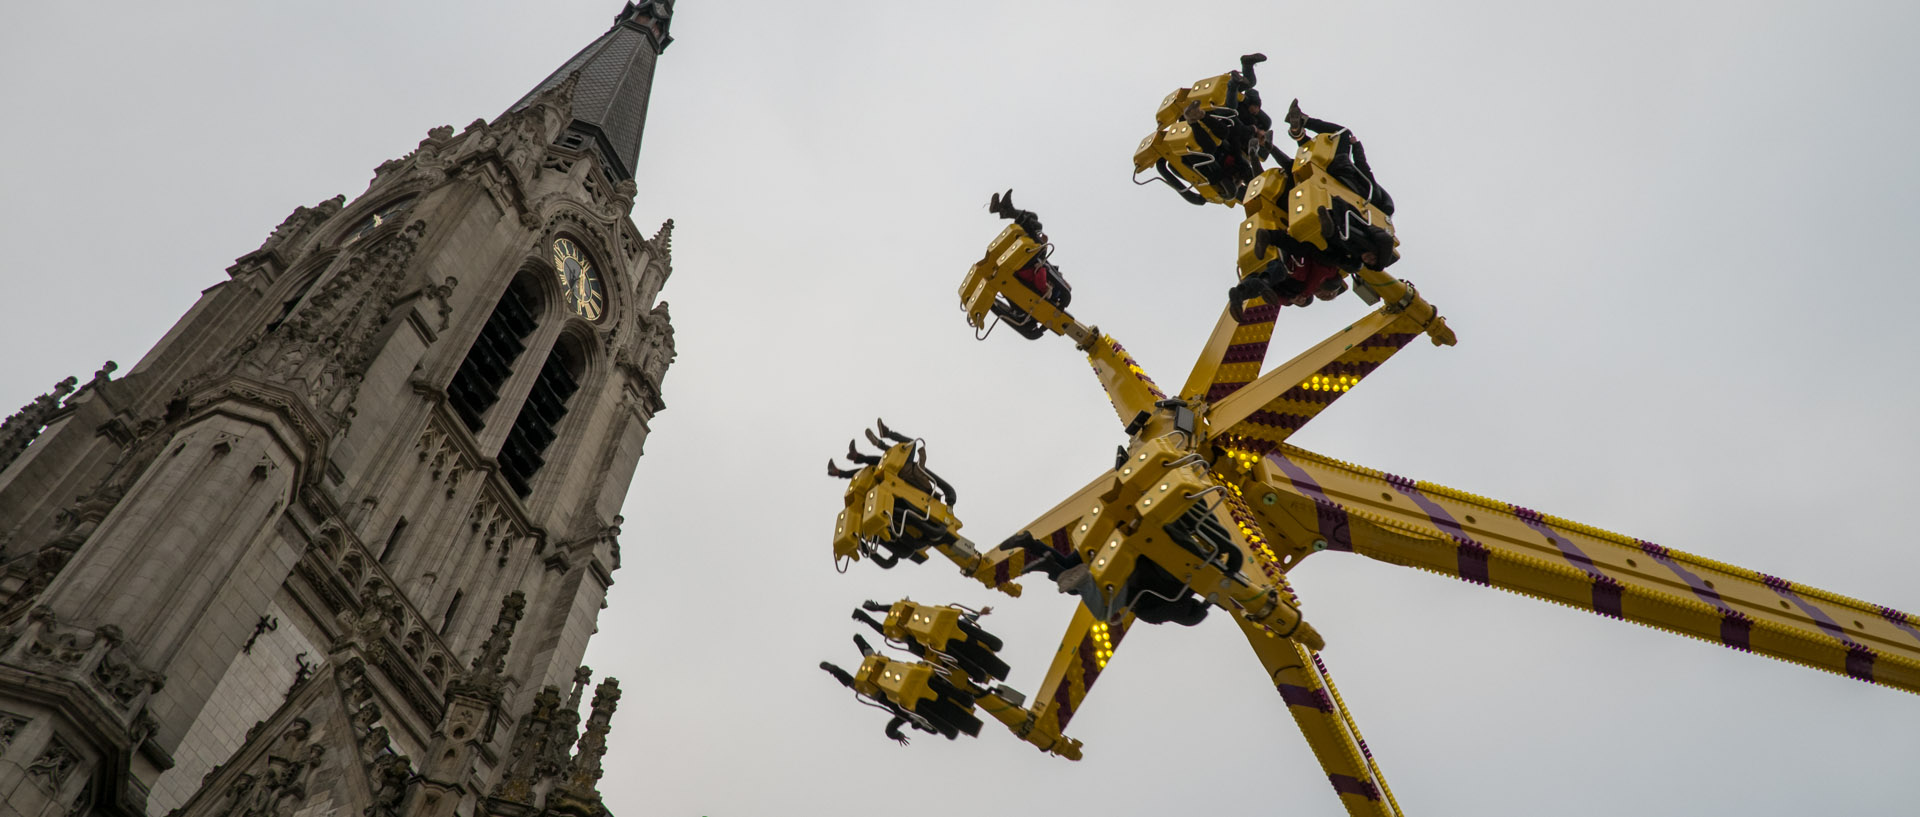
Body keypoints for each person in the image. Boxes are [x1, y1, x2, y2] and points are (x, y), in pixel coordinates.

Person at [1285, 99, 1394, 216]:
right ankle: (1298, 134)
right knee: (1313, 155)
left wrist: (1357, 145)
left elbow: (1362, 165)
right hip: (1332, 176)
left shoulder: (1372, 191)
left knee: (1343, 132)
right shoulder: (1362, 203)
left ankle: (1304, 121)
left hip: (1341, 166)